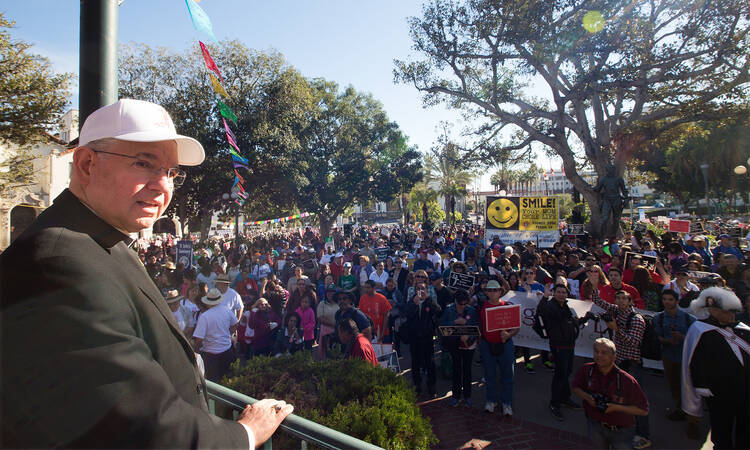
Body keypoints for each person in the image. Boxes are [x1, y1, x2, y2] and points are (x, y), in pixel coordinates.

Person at [0, 99, 291, 448]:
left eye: (171, 173)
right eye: (144, 164)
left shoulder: (98, 242)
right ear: (87, 164)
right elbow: (141, 425)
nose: (162, 186)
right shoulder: (60, 261)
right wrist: (246, 432)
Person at [682, 287, 749, 449]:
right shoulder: (700, 330)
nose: (732, 315)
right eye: (727, 311)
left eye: (733, 311)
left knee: (746, 429)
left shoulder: (743, 329)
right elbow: (694, 362)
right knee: (721, 430)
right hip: (719, 391)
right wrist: (701, 385)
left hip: (745, 388)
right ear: (713, 310)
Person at [591, 284, 651, 448]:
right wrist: (594, 282)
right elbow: (598, 301)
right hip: (618, 362)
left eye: (624, 298)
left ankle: (643, 435)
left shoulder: (637, 319)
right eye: (618, 298)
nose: (620, 300)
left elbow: (633, 342)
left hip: (632, 364)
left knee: (636, 401)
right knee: (616, 396)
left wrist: (616, 329)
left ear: (630, 302)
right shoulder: (616, 311)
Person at [572, 338, 649, 450]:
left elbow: (643, 410)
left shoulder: (627, 380)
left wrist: (616, 407)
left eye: (604, 353)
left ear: (614, 356)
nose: (599, 355)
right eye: (596, 351)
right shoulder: (586, 370)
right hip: (595, 425)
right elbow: (575, 387)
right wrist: (588, 398)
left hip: (621, 431)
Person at [543, 284, 591, 421]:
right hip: (559, 346)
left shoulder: (565, 307)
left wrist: (586, 318)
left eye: (564, 292)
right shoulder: (551, 307)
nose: (561, 294)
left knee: (567, 372)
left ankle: (565, 398)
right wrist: (545, 297)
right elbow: (543, 311)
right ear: (554, 293)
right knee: (560, 374)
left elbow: (571, 323)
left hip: (569, 345)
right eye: (559, 292)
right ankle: (555, 403)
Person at [652, 290, 697, 432]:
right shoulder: (658, 318)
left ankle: (693, 421)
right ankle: (680, 409)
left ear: (677, 301)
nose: (667, 302)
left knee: (690, 388)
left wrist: (682, 337)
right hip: (669, 356)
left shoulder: (689, 319)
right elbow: (656, 336)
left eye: (670, 299)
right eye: (664, 299)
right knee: (674, 385)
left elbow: (695, 339)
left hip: (686, 357)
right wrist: (667, 340)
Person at [479, 279, 519, 416]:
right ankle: (492, 400)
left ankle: (507, 403)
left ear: (500, 292)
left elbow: (516, 328)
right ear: (486, 292)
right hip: (487, 345)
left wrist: (508, 335)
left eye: (495, 290)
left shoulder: (508, 306)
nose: (492, 293)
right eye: (489, 290)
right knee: (490, 375)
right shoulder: (481, 307)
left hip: (505, 344)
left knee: (508, 375)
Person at [440, 289, 478, 407]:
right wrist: (455, 322)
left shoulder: (471, 310)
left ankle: (467, 395)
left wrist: (469, 337)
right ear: (455, 301)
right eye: (460, 304)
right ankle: (456, 395)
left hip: (468, 345)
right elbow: (442, 326)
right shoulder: (449, 309)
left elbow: (476, 327)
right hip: (454, 344)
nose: (462, 306)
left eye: (464, 304)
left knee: (467, 370)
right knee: (456, 369)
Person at [404, 281, 442, 397]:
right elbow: (407, 314)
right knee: (415, 363)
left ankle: (432, 387)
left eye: (423, 288)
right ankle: (417, 386)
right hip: (414, 337)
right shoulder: (412, 301)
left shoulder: (429, 301)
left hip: (427, 336)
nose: (420, 291)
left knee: (430, 363)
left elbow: (438, 311)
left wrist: (429, 299)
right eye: (418, 288)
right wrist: (414, 304)